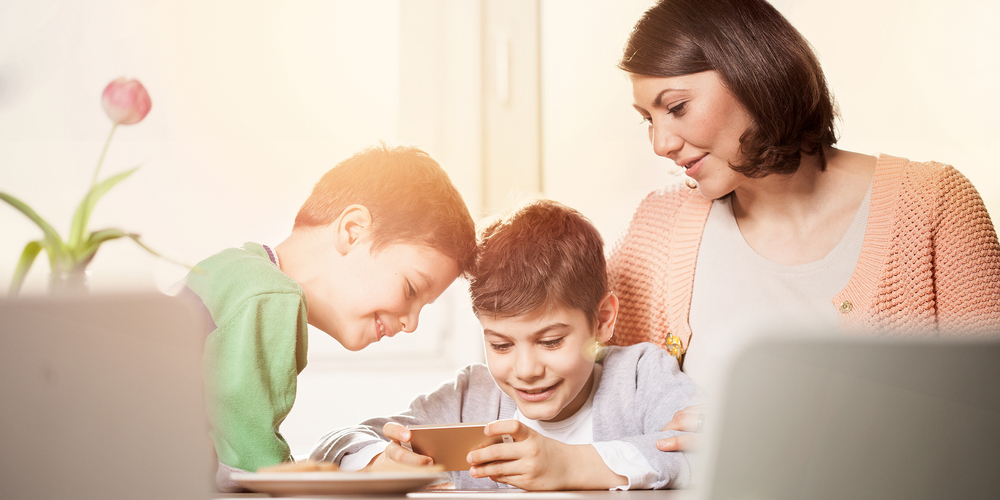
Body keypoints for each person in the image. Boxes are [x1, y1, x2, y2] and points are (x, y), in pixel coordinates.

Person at [608, 0, 1000, 452]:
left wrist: (780, 436)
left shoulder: (935, 205)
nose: (661, 143)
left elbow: (987, 423)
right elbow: (585, 381)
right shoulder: (656, 227)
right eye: (647, 120)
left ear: (752, 73)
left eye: (676, 107)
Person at [310, 200, 704, 490]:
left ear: (602, 321)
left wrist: (568, 465)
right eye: (500, 345)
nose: (526, 369)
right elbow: (335, 445)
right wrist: (378, 462)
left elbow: (708, 454)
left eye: (550, 341)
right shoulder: (471, 398)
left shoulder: (639, 378)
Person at [183, 143, 477, 490]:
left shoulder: (231, 269)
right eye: (412, 289)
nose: (411, 324)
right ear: (353, 230)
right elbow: (251, 466)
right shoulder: (271, 297)